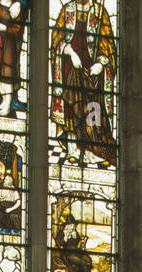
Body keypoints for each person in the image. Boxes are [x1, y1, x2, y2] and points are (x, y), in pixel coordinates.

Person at [50, 0, 116, 165]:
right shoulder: (67, 11)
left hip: (93, 74)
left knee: (94, 110)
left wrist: (102, 63)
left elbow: (108, 45)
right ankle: (73, 150)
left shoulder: (99, 13)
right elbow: (56, 40)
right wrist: (69, 51)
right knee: (72, 109)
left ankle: (93, 151)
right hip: (72, 70)